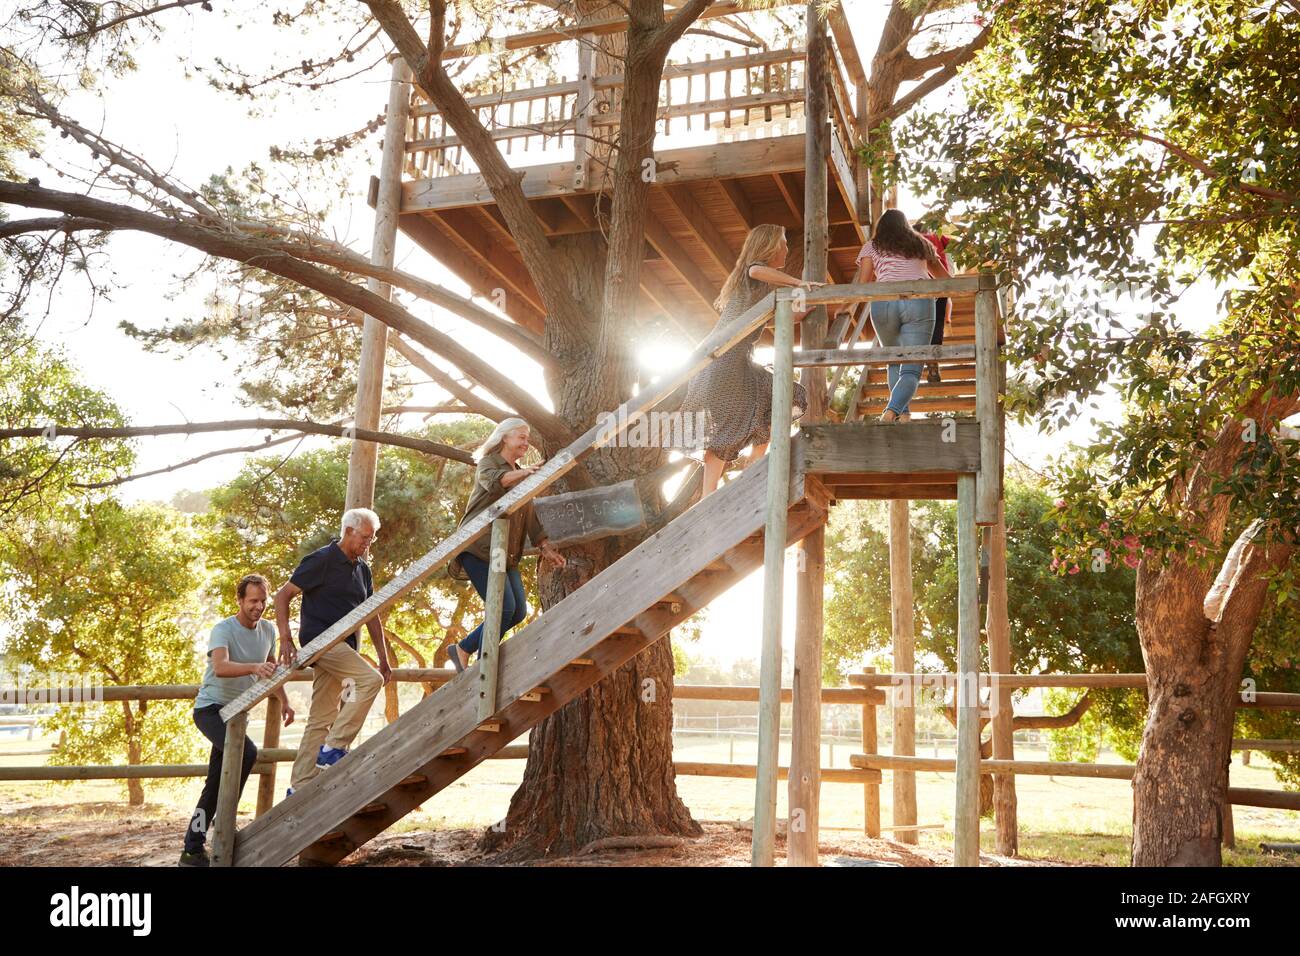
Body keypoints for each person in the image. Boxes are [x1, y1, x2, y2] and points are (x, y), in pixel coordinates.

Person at [676, 223, 823, 496]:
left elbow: (783, 319)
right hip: (723, 356)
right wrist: (797, 282)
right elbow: (756, 268)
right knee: (731, 424)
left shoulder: (764, 289)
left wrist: (801, 307)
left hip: (733, 357)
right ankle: (717, 491)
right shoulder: (754, 275)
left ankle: (744, 474)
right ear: (770, 246)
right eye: (784, 243)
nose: (787, 248)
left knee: (775, 399)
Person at [274, 508, 392, 794]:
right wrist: (285, 638)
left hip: (343, 646)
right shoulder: (321, 560)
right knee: (370, 680)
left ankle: (299, 786)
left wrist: (384, 658)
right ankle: (335, 747)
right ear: (348, 531)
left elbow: (372, 614)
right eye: (364, 537)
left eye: (371, 540)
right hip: (320, 641)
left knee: (321, 716)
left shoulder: (362, 569)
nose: (367, 544)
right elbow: (282, 595)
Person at [180, 574, 294, 867]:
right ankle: (224, 817)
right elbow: (220, 667)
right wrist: (254, 667)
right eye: (253, 600)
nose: (259, 606)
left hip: (236, 716)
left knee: (215, 784)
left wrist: (285, 701)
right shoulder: (223, 629)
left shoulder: (268, 630)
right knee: (248, 752)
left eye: (263, 601)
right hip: (211, 711)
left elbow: (271, 669)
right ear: (240, 600)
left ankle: (192, 849)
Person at [447, 419, 565, 672]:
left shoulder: (521, 473)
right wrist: (525, 473)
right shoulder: (489, 464)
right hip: (478, 548)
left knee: (518, 611)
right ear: (505, 438)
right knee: (503, 607)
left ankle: (467, 648)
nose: (526, 442)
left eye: (527, 437)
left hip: (505, 553)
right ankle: (478, 659)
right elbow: (495, 482)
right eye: (521, 437)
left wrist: (545, 546)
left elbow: (529, 514)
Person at [852, 210, 952, 422]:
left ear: (881, 227)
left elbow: (862, 284)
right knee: (911, 369)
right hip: (918, 301)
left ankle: (903, 415)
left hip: (883, 304)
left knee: (894, 362)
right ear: (906, 224)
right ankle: (891, 413)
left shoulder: (871, 246)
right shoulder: (922, 244)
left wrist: (848, 306)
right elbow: (945, 281)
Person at [920, 227, 955, 383]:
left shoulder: (911, 239)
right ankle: (933, 359)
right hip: (940, 283)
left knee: (919, 322)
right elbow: (958, 245)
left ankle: (916, 357)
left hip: (919, 284)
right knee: (937, 322)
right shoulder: (937, 237)